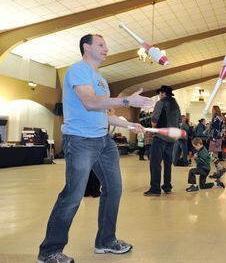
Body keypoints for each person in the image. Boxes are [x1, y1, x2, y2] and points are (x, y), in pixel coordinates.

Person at [37, 34, 153, 263]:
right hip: (80, 141)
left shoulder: (101, 79)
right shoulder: (77, 70)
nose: (106, 49)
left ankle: (106, 241)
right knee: (73, 195)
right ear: (86, 47)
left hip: (103, 142)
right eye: (101, 45)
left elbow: (105, 114)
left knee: (114, 190)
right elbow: (89, 103)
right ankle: (49, 251)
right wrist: (127, 101)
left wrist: (129, 123)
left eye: (106, 45)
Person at [144, 85, 181, 196]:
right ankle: (167, 186)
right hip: (171, 138)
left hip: (160, 137)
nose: (159, 95)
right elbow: (179, 121)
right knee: (168, 163)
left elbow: (154, 119)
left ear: (163, 93)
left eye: (160, 93)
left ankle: (155, 189)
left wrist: (153, 128)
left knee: (155, 163)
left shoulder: (161, 103)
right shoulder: (175, 105)